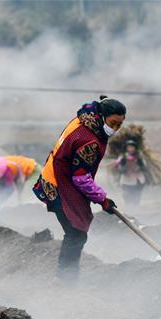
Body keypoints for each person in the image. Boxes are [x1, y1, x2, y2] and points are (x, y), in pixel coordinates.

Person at [33, 96, 125, 278]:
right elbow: (81, 178)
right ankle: (67, 277)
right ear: (101, 115)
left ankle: (67, 275)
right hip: (59, 186)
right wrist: (102, 199)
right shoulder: (89, 141)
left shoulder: (82, 120)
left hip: (52, 177)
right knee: (76, 233)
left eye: (119, 126)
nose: (114, 129)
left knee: (75, 232)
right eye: (112, 123)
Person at [110, 140, 148, 207]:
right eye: (129, 147)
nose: (130, 149)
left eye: (132, 147)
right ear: (126, 148)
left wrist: (140, 164)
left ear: (135, 148)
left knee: (136, 195)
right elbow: (120, 169)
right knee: (127, 195)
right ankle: (129, 209)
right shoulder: (123, 157)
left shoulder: (139, 156)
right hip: (126, 180)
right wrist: (123, 165)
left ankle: (136, 208)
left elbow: (145, 168)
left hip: (138, 180)